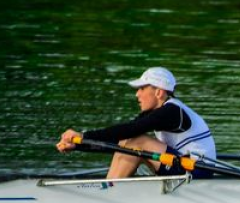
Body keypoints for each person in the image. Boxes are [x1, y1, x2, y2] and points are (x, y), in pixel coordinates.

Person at [56, 67, 216, 179]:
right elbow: (118, 140)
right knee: (128, 141)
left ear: (159, 92)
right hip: (181, 164)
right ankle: (111, 186)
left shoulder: (172, 111)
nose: (137, 94)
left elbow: (129, 130)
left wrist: (83, 136)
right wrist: (78, 145)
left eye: (142, 88)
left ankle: (109, 191)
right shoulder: (157, 112)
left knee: (137, 140)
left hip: (198, 170)